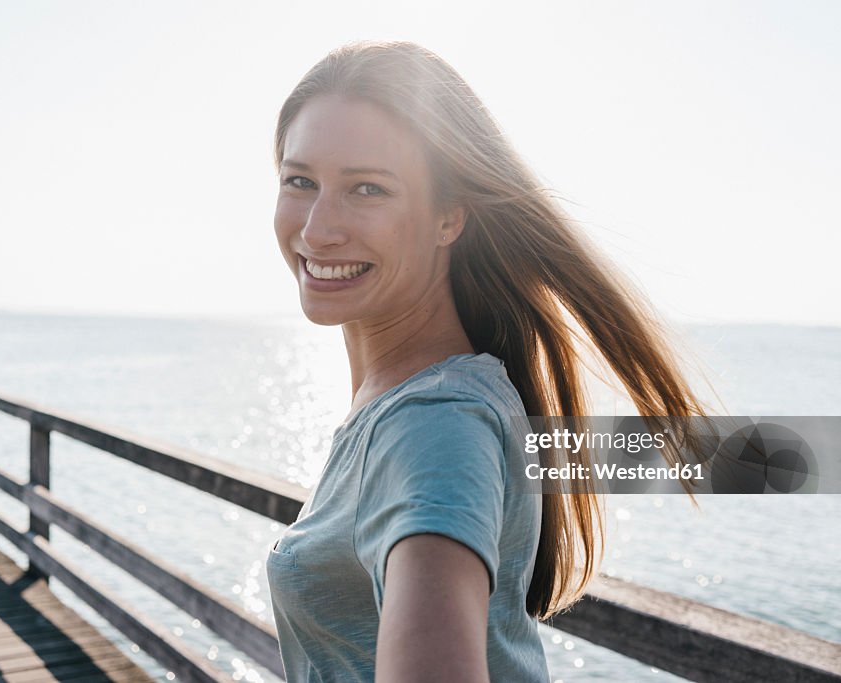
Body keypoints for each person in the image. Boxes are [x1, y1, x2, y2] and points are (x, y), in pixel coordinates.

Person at [265, 41, 707, 682]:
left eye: (368, 189)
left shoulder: (432, 422)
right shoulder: (418, 397)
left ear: (450, 217)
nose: (317, 228)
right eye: (300, 181)